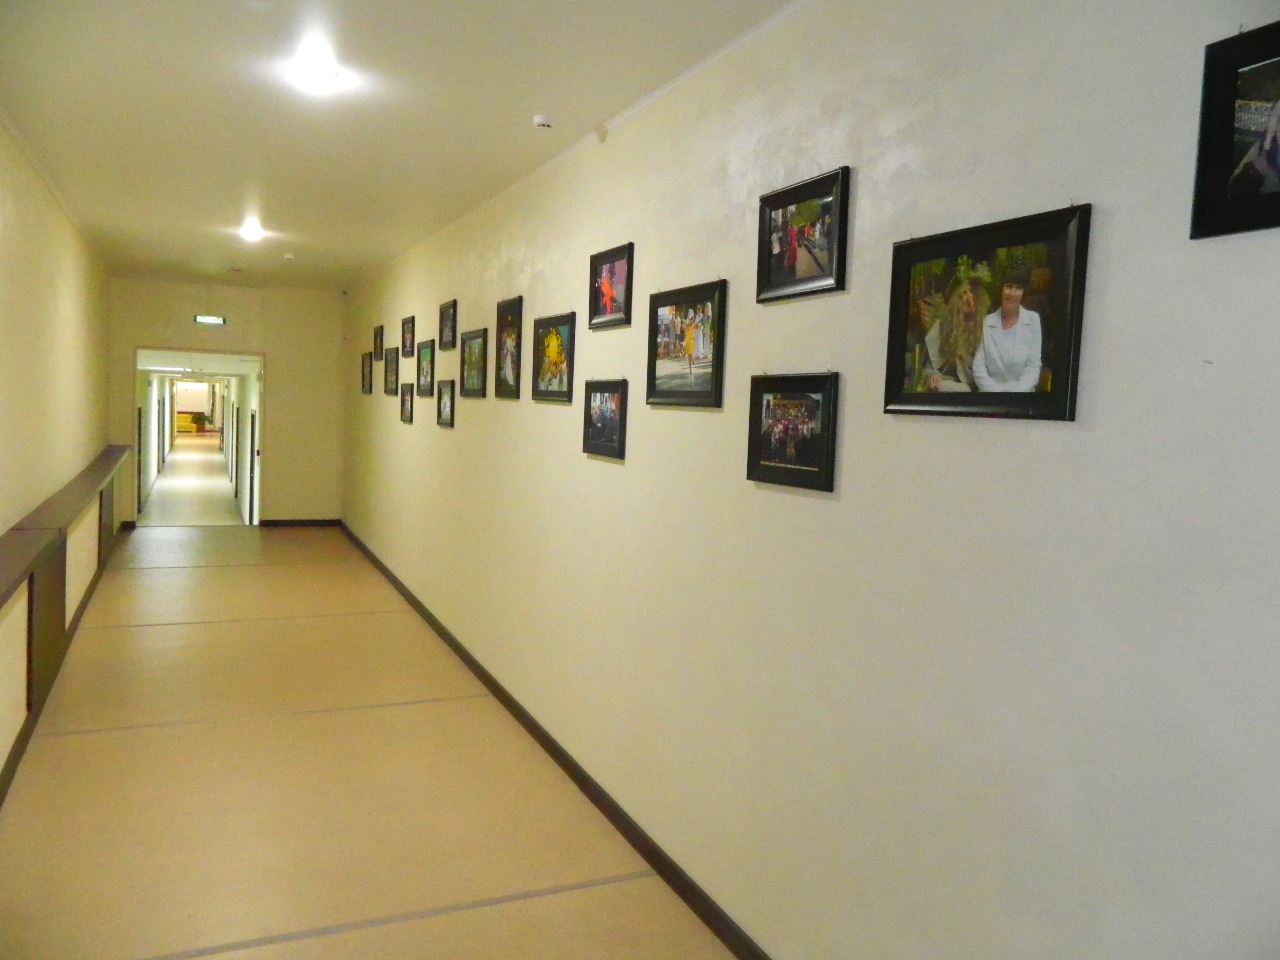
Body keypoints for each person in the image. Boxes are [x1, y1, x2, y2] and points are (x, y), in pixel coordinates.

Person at [973, 262, 1042, 392]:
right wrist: (999, 396)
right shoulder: (986, 322)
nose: (1012, 293)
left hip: (1023, 396)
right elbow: (978, 368)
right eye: (1009, 286)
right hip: (991, 396)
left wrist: (1015, 396)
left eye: (1018, 288)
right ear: (1001, 289)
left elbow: (1033, 367)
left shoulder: (1033, 320)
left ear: (1024, 292)